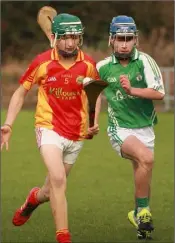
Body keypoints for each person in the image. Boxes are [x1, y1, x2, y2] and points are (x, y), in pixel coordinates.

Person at [1, 13, 100, 243]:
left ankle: (33, 199)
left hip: (76, 134)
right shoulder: (42, 62)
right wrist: (8, 124)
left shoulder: (88, 64)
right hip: (48, 128)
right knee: (58, 179)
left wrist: (93, 120)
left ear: (80, 38)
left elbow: (95, 92)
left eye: (74, 37)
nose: (69, 42)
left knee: (49, 190)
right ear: (54, 38)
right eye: (64, 37)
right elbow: (20, 92)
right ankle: (63, 236)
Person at [95, 15, 165, 239]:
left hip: (145, 127)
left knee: (142, 171)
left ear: (136, 40)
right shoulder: (103, 67)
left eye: (128, 38)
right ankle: (144, 211)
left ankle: (140, 221)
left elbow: (159, 93)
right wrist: (92, 120)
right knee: (146, 159)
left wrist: (132, 90)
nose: (124, 43)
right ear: (111, 40)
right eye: (119, 38)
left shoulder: (145, 61)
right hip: (120, 128)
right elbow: (94, 94)